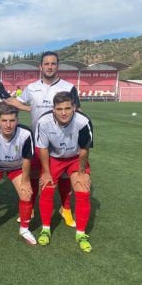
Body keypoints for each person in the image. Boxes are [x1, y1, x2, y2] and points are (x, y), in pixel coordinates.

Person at [15, 51, 82, 227]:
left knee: (66, 176)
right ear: (41, 67)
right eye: (46, 64)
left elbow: (78, 112)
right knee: (37, 174)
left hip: (64, 140)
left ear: (57, 66)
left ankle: (65, 209)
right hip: (39, 140)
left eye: (53, 64)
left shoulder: (69, 87)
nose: (50, 67)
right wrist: (28, 109)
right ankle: (30, 208)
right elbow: (17, 101)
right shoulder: (31, 87)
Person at [35, 91, 93, 253]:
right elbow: (43, 149)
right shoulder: (44, 121)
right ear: (53, 109)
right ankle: (46, 229)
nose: (64, 112)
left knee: (83, 190)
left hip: (75, 158)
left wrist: (82, 173)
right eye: (59, 108)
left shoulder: (83, 122)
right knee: (46, 188)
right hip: (54, 158)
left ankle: (81, 234)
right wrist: (46, 172)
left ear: (74, 107)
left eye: (68, 108)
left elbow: (84, 150)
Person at [0, 104, 36, 244]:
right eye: (4, 120)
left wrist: (26, 180)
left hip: (17, 167)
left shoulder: (26, 134)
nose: (8, 125)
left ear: (17, 120)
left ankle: (24, 228)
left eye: (12, 120)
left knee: (26, 193)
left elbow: (27, 159)